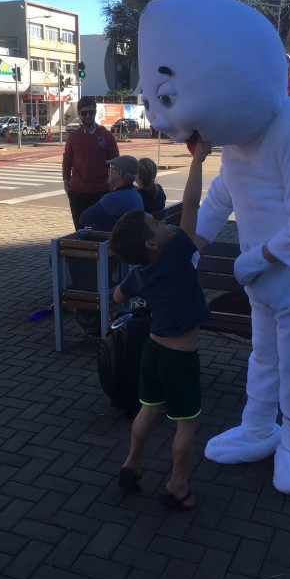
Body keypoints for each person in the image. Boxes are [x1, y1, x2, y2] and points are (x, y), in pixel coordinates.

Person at [138, 0, 290, 495]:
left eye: (166, 97)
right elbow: (221, 197)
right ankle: (258, 426)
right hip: (263, 274)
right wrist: (186, 251)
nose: (159, 119)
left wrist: (254, 260)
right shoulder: (235, 141)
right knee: (264, 353)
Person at [109, 138, 213, 510]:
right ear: (152, 245)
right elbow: (191, 204)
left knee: (148, 410)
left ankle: (131, 464)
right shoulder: (177, 255)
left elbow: (117, 296)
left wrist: (128, 297)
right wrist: (198, 160)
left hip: (152, 352)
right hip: (179, 360)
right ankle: (178, 484)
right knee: (186, 423)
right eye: (156, 223)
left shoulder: (140, 273)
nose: (163, 221)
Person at [62, 96, 119, 230]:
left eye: (91, 112)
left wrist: (112, 185)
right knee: (80, 230)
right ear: (79, 114)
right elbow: (67, 161)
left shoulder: (106, 136)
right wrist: (66, 185)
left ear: (95, 112)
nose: (88, 116)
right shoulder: (73, 137)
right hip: (77, 192)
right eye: (84, 113)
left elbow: (116, 162)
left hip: (101, 191)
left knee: (100, 230)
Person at [79, 155, 144, 231]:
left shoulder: (113, 198)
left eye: (111, 169)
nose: (108, 172)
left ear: (119, 173)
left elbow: (83, 219)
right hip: (127, 236)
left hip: (108, 237)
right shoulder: (136, 194)